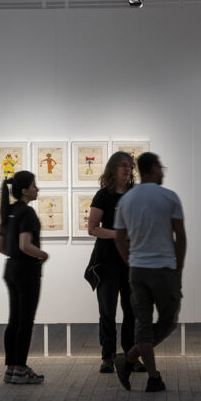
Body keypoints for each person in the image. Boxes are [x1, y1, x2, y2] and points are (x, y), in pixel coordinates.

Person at [113, 152, 187, 393]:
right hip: (163, 269)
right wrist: (179, 268)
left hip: (138, 270)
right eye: (161, 168)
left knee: (143, 326)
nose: (163, 172)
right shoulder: (169, 197)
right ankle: (151, 375)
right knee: (168, 320)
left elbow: (120, 238)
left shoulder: (127, 200)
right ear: (154, 168)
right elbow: (180, 236)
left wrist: (129, 260)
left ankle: (133, 360)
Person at [86, 151, 139, 374]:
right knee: (107, 312)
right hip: (107, 262)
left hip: (131, 262)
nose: (128, 170)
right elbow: (92, 228)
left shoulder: (136, 194)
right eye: (123, 166)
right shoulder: (103, 196)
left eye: (130, 167)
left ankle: (130, 357)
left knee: (132, 312)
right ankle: (107, 357)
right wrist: (118, 234)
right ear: (113, 169)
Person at [0, 170, 49, 384]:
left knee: (14, 320)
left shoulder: (9, 211)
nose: (37, 189)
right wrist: (43, 254)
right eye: (35, 186)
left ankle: (11, 368)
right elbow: (25, 245)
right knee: (25, 321)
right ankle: (20, 368)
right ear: (25, 190)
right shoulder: (27, 213)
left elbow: (1, 247)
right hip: (26, 270)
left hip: (10, 268)